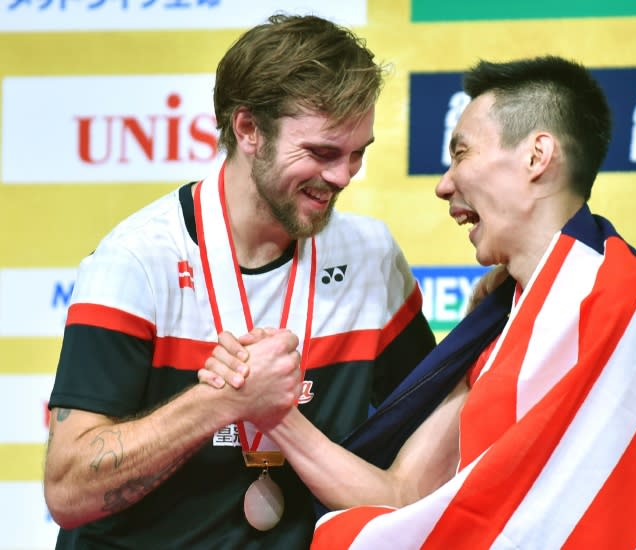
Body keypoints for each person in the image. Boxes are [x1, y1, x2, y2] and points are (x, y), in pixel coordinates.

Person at [202, 55, 636, 549]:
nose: (444, 185)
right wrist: (274, 413)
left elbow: (552, 526)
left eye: (460, 152)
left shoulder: (616, 302)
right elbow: (403, 496)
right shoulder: (505, 322)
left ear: (537, 155)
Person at [43, 14, 437, 549]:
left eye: (357, 154)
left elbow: (432, 429)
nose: (344, 177)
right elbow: (67, 491)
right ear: (248, 129)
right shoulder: (138, 259)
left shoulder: (370, 256)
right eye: (322, 153)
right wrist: (221, 404)